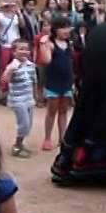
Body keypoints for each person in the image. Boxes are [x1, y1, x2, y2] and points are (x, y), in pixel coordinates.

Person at [39, 16, 73, 152]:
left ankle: (62, 138)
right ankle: (47, 138)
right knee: (51, 111)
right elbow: (46, 60)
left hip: (67, 82)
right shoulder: (50, 44)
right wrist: (43, 44)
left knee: (64, 111)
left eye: (68, 27)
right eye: (63, 27)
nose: (66, 30)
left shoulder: (69, 43)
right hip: (53, 82)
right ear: (55, 30)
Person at [2, 39, 37, 158]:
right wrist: (11, 70)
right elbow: (5, 80)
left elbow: (34, 81)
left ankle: (20, 144)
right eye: (21, 49)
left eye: (26, 49)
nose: (24, 52)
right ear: (14, 52)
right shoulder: (12, 66)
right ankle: (17, 146)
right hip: (17, 100)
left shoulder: (31, 65)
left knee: (29, 124)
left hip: (29, 98)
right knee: (24, 124)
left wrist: (35, 96)